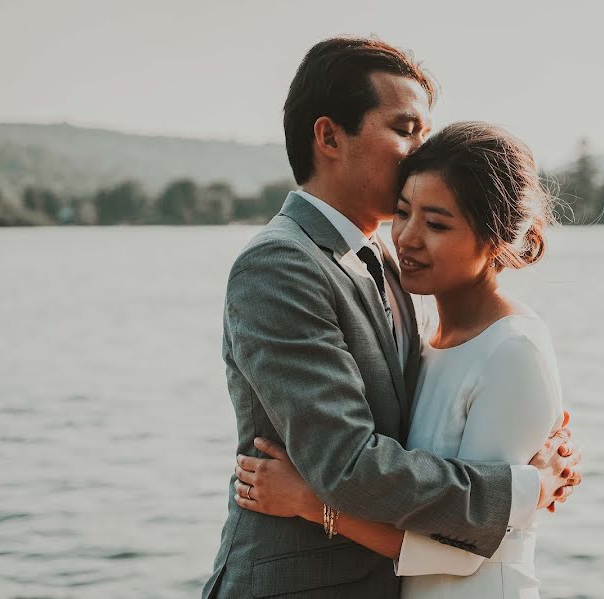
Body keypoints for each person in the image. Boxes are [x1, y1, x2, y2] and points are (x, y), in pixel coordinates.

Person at [202, 37, 581, 599]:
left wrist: (535, 436)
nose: (420, 152)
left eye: (424, 133)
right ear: (329, 137)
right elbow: (348, 465)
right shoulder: (280, 265)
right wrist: (523, 488)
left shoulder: (383, 258)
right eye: (406, 130)